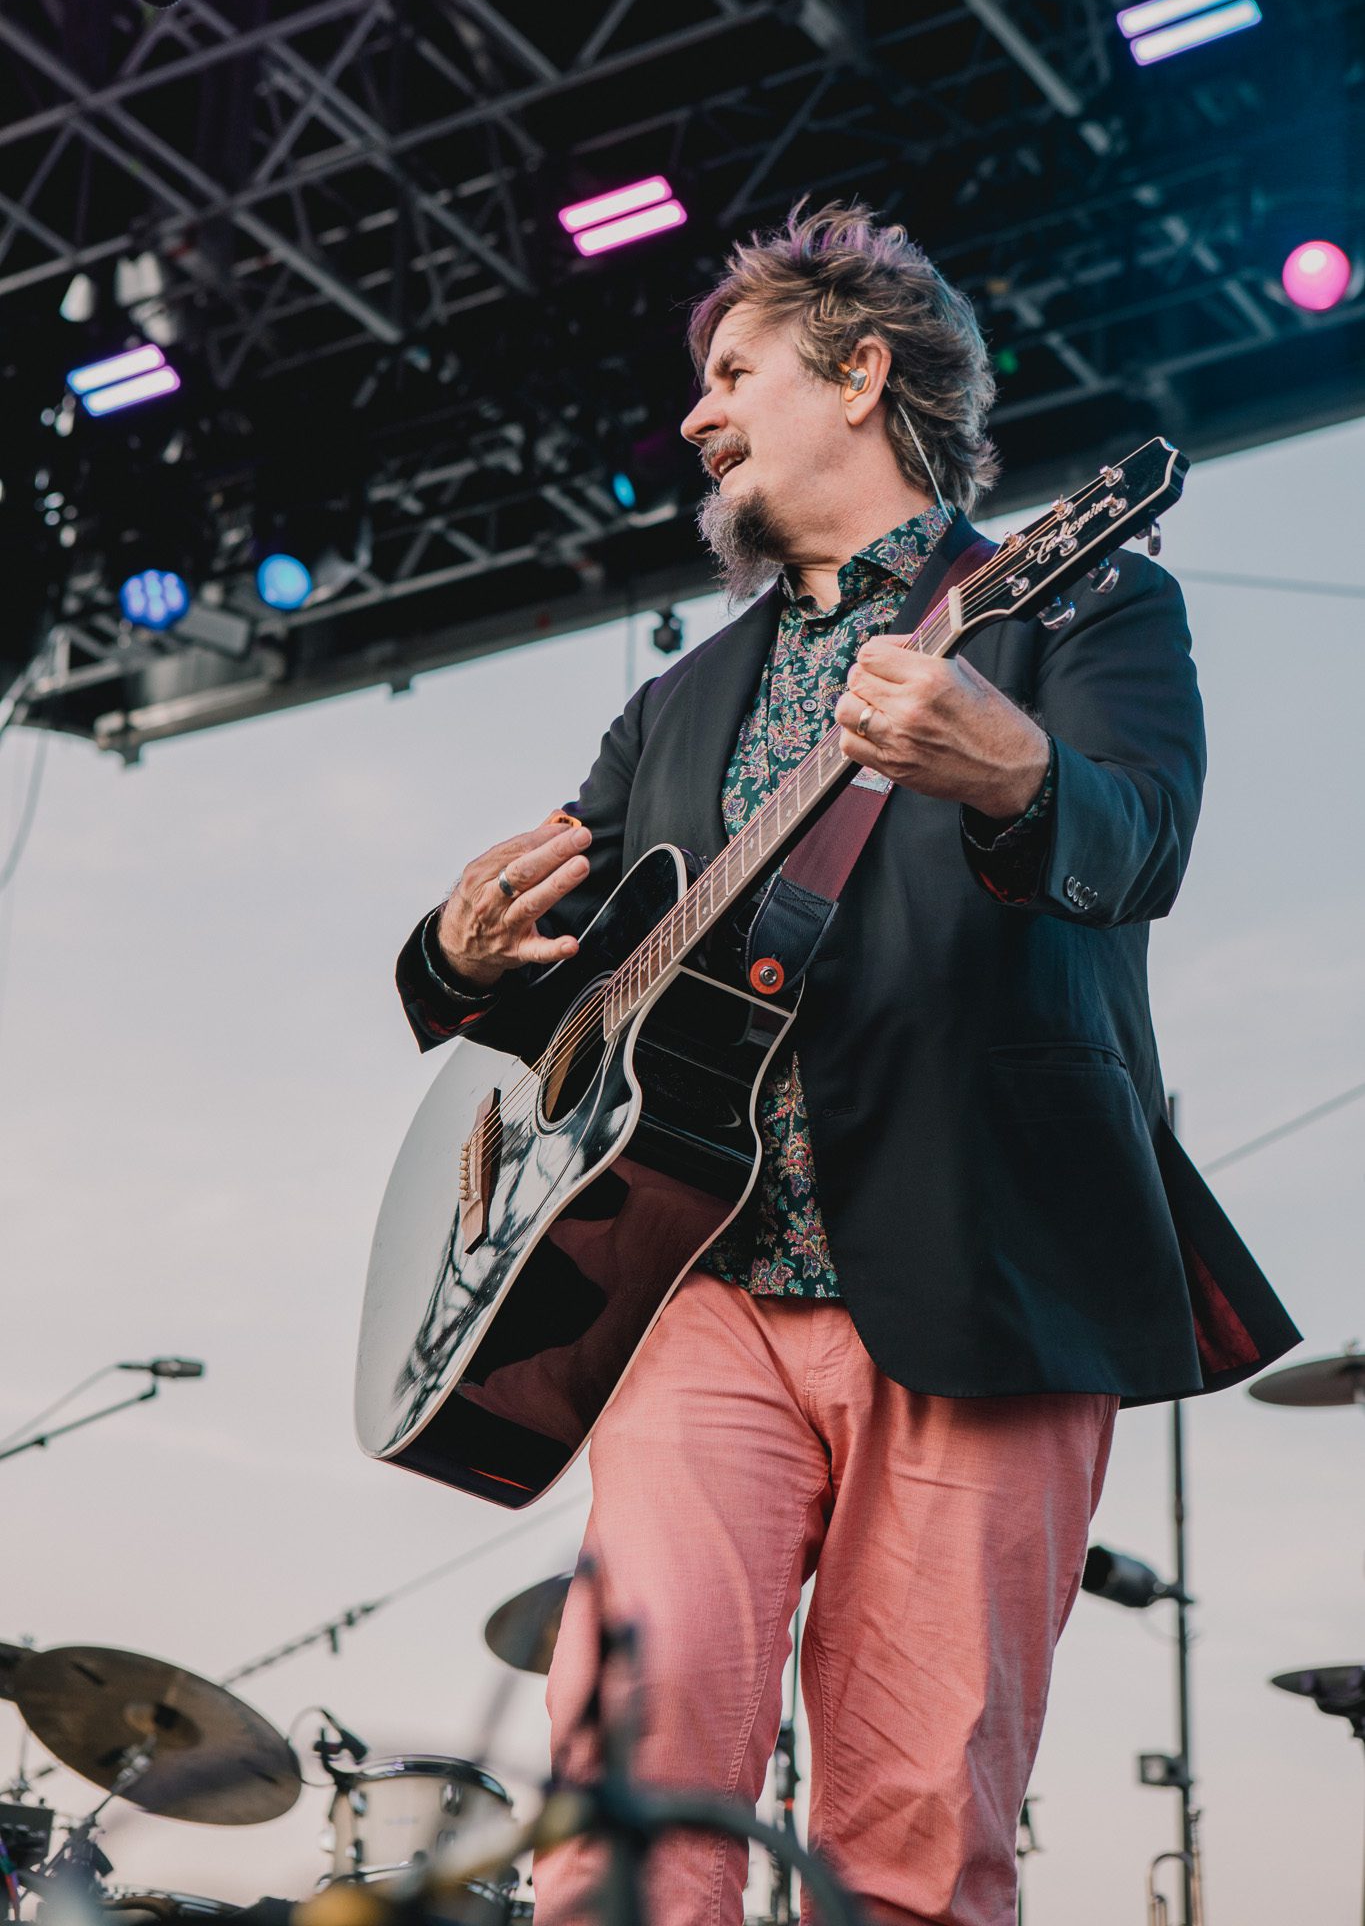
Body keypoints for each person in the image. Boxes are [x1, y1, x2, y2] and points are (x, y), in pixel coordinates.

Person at [395, 203, 1298, 1926]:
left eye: (731, 372)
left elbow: (1137, 845)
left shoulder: (1083, 599)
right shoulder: (673, 705)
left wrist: (1013, 770)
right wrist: (455, 955)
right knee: (621, 1812)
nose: (696, 415)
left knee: (911, 1837)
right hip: (694, 1290)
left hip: (987, 1261)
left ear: (860, 372)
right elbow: (571, 1002)